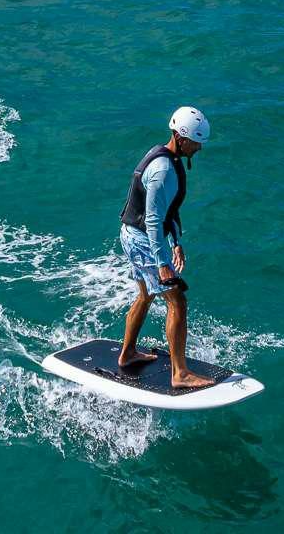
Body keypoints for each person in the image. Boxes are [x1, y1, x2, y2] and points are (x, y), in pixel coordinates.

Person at [118, 106, 215, 389]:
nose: (199, 148)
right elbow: (152, 219)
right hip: (142, 240)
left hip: (135, 236)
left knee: (146, 295)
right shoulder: (163, 169)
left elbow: (167, 210)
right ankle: (180, 373)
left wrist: (176, 243)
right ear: (181, 137)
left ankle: (127, 354)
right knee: (177, 301)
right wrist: (162, 263)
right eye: (196, 142)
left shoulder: (166, 156)